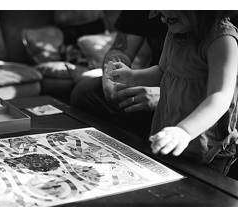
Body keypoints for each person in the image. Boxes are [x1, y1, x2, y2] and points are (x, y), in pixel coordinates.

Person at [105, 10, 238, 174]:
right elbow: (162, 71)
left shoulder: (222, 39)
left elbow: (220, 97)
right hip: (171, 132)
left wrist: (185, 130)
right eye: (161, 14)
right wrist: (132, 76)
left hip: (208, 145)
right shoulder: (175, 31)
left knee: (198, 193)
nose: (161, 17)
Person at [70, 10, 169, 138]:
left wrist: (165, 96)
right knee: (84, 92)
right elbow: (120, 50)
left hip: (184, 97)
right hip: (155, 84)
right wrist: (110, 82)